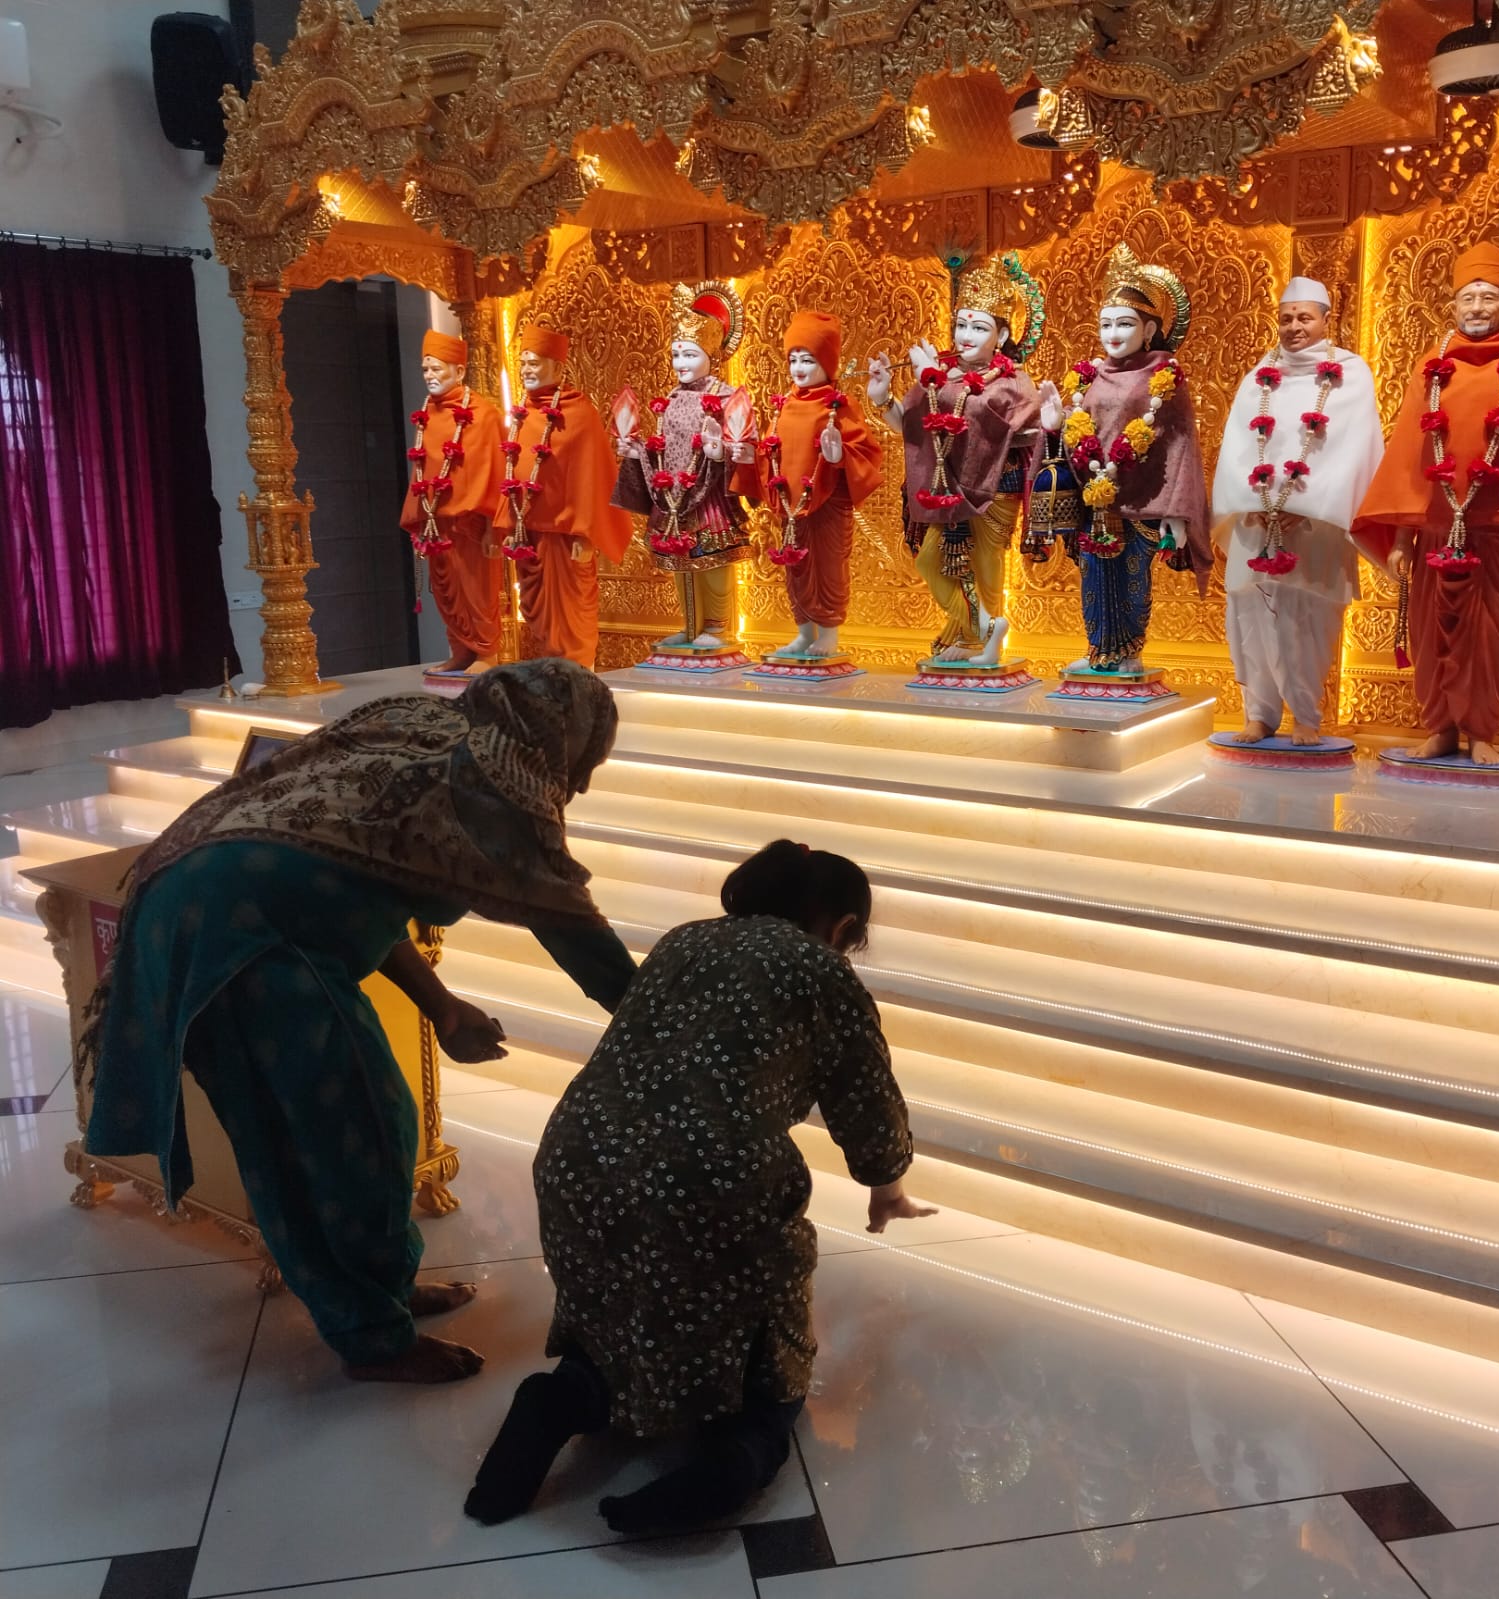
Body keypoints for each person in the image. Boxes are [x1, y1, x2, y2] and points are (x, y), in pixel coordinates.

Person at [81, 661, 637, 1384]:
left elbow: (357, 877)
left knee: (329, 1130)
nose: (581, 784)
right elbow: (577, 934)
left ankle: (377, 1297)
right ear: (557, 738)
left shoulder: (420, 725)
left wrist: (441, 1005)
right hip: (243, 939)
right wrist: (670, 1013)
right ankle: (373, 1336)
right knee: (347, 1135)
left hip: (216, 905)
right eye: (584, 761)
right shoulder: (492, 782)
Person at [465, 840, 933, 1532]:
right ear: (841, 927)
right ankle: (732, 1458)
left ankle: (563, 1398)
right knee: (768, 1355)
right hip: (709, 1176)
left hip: (578, 1152)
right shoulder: (820, 968)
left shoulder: (683, 941)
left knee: (614, 1299)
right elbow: (867, 1100)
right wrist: (885, 1183)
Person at [1351, 242, 1499, 765]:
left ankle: (1482, 733)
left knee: (1491, 636)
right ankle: (1440, 729)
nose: (1477, 308)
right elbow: (1410, 454)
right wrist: (1403, 537)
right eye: (1468, 298)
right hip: (1436, 525)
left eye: (1488, 297)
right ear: (1453, 305)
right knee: (1432, 631)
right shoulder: (1431, 366)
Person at [1211, 277, 1385, 744]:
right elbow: (1236, 447)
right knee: (1249, 613)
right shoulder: (1259, 376)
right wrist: (1250, 502)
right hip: (1256, 518)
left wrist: (1305, 507)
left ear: (1327, 320)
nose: (1294, 327)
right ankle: (1259, 714)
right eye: (1286, 318)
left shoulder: (1350, 374)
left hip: (1317, 524)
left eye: (1304, 317)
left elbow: (1355, 451)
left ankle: (1306, 717)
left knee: (1306, 618)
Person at [1036, 243, 1212, 676]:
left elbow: (1180, 444)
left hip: (1144, 498)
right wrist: (1056, 426)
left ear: (1149, 328)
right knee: (1094, 577)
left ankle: (1129, 651)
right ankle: (1099, 649)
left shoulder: (1164, 376)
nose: (1113, 333)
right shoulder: (1089, 376)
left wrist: (1177, 511)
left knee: (1132, 578)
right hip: (1093, 499)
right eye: (1106, 324)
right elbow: (1079, 434)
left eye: (1125, 323)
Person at [867, 252, 1043, 668]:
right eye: (961, 325)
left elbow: (990, 422)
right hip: (947, 488)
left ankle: (979, 641)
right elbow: (912, 427)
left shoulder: (1013, 381)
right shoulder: (943, 373)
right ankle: (983, 626)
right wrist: (883, 397)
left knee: (985, 564)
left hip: (994, 487)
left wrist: (935, 380)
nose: (965, 335)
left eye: (979, 328)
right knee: (931, 561)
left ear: (1002, 335)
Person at [612, 279, 759, 652]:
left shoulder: (727, 397)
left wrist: (721, 452)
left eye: (690, 355)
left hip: (710, 496)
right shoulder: (671, 399)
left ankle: (719, 627)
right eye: (676, 355)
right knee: (680, 561)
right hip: (675, 496)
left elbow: (746, 445)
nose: (681, 364)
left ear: (711, 355)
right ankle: (690, 626)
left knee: (712, 560)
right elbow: (662, 449)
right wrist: (638, 453)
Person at [496, 318, 634, 670]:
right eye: (522, 363)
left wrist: (586, 535)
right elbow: (511, 470)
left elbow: (592, 479)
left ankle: (577, 679)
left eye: (534, 362)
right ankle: (553, 678)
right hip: (529, 536)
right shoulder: (521, 415)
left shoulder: (579, 413)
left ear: (557, 367)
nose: (526, 370)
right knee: (539, 618)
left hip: (565, 538)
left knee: (571, 617)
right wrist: (511, 524)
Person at [761, 310, 884, 661]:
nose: (798, 368)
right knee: (796, 567)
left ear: (826, 363)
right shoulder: (783, 406)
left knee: (829, 565)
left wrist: (839, 455)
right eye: (793, 360)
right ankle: (804, 632)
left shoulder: (839, 406)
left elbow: (866, 452)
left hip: (829, 501)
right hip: (791, 505)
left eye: (808, 359)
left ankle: (829, 632)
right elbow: (770, 450)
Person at [399, 330, 508, 675]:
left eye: (437, 369)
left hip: (471, 523)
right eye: (425, 369)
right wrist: (421, 516)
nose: (429, 376)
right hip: (436, 521)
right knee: (446, 592)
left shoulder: (483, 414)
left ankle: (487, 653)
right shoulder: (425, 414)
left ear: (459, 371)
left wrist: (493, 528)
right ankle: (461, 651)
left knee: (477, 589)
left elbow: (495, 474)